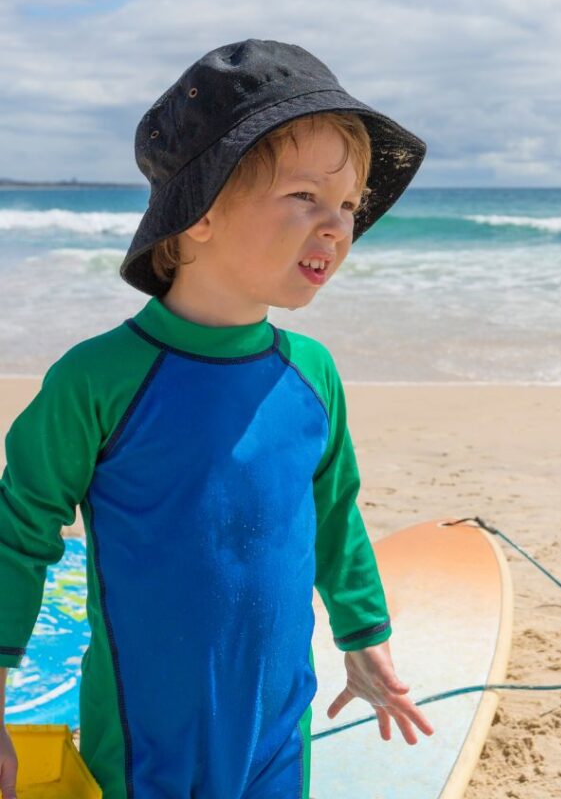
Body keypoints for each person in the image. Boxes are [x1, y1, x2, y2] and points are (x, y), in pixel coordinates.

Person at [0, 39, 434, 799]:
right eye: (305, 196)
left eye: (348, 206)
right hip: (145, 742)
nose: (336, 226)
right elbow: (18, 533)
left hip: (278, 728)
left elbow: (334, 513)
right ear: (197, 211)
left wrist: (364, 637)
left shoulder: (312, 375)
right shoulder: (99, 380)